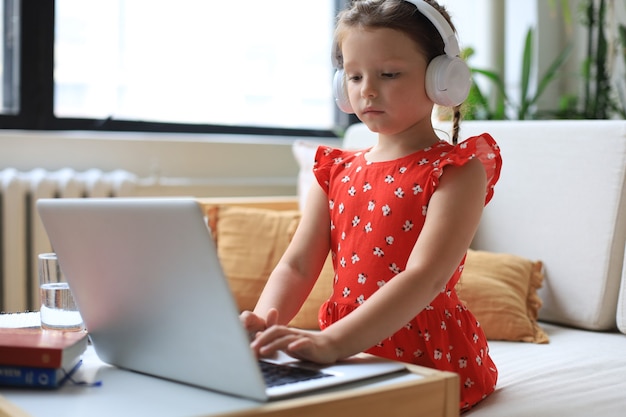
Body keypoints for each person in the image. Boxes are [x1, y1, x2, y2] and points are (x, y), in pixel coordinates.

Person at [240, 0, 501, 411]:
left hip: (425, 355)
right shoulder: (335, 170)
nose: (368, 90)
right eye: (354, 75)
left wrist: (332, 342)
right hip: (344, 350)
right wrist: (263, 323)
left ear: (443, 79)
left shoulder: (455, 171)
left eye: (389, 74)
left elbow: (425, 277)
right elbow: (298, 265)